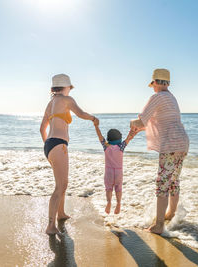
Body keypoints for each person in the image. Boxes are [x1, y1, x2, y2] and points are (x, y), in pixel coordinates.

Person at [130, 68, 189, 234]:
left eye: (153, 84)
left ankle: (159, 225)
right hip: (182, 142)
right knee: (173, 181)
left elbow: (141, 121)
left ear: (155, 83)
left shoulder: (156, 97)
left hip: (170, 145)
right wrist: (140, 128)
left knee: (162, 184)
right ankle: (171, 214)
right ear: (168, 83)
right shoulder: (171, 98)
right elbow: (159, 122)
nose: (153, 88)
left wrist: (131, 123)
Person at [40, 73, 98, 235]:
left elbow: (42, 129)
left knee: (63, 183)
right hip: (58, 145)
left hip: (50, 145)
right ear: (66, 87)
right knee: (60, 186)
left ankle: (61, 213)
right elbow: (81, 114)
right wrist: (94, 118)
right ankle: (51, 226)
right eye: (69, 88)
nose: (70, 90)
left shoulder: (50, 103)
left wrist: (48, 147)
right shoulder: (67, 100)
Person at [93, 120, 137, 214]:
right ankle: (118, 203)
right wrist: (132, 130)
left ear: (109, 138)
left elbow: (100, 136)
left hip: (108, 172)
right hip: (118, 173)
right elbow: (129, 138)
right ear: (119, 138)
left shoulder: (106, 146)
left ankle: (109, 202)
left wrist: (96, 126)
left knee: (108, 189)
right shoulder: (121, 146)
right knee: (118, 189)